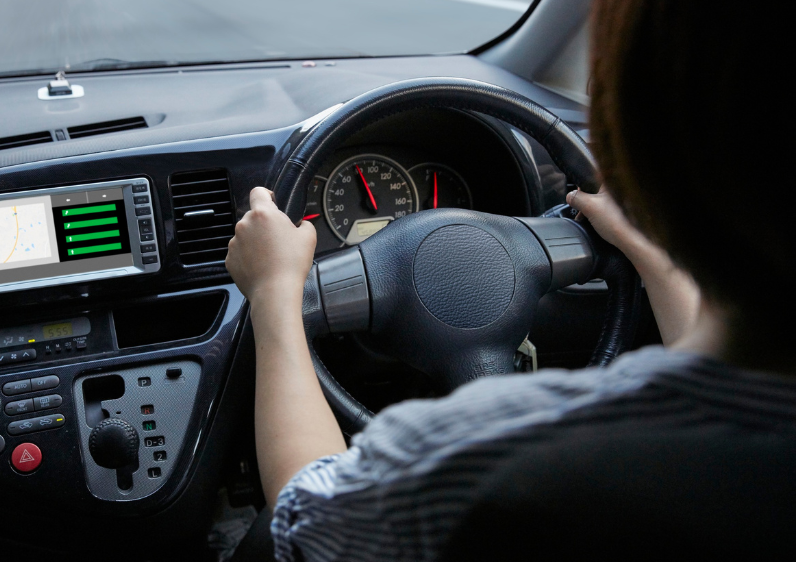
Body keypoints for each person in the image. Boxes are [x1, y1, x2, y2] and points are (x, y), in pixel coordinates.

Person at [225, 1, 792, 559]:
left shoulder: (476, 456)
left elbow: (301, 515)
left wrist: (275, 293)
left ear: (636, 159)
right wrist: (656, 260)